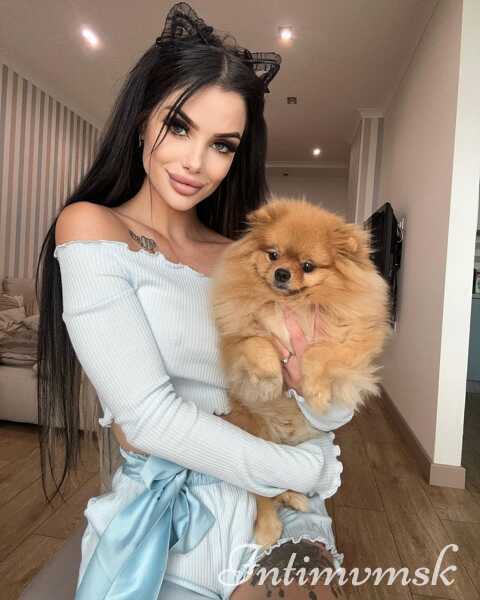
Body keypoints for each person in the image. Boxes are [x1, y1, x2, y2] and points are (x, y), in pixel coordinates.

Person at [36, 3, 353, 599]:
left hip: (278, 512)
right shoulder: (92, 228)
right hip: (167, 524)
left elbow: (317, 399)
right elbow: (149, 421)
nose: (195, 163)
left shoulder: (247, 257)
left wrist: (318, 412)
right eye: (179, 126)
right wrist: (312, 469)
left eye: (222, 145)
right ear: (141, 121)